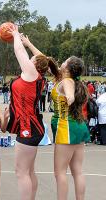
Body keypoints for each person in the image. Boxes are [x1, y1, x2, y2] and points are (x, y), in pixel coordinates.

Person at [6, 26, 53, 200]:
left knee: (21, 172)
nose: (29, 58)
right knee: (29, 170)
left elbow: (19, 51)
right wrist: (29, 43)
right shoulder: (38, 74)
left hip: (28, 127)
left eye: (31, 58)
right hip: (33, 126)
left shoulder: (32, 73)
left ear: (33, 63)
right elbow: (44, 59)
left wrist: (16, 35)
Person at [50, 56, 90, 200]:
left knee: (60, 172)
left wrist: (69, 97)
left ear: (67, 66)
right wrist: (28, 44)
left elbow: (69, 93)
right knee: (77, 171)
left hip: (66, 128)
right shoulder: (68, 78)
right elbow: (47, 60)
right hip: (77, 126)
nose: (62, 62)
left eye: (65, 60)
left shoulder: (67, 81)